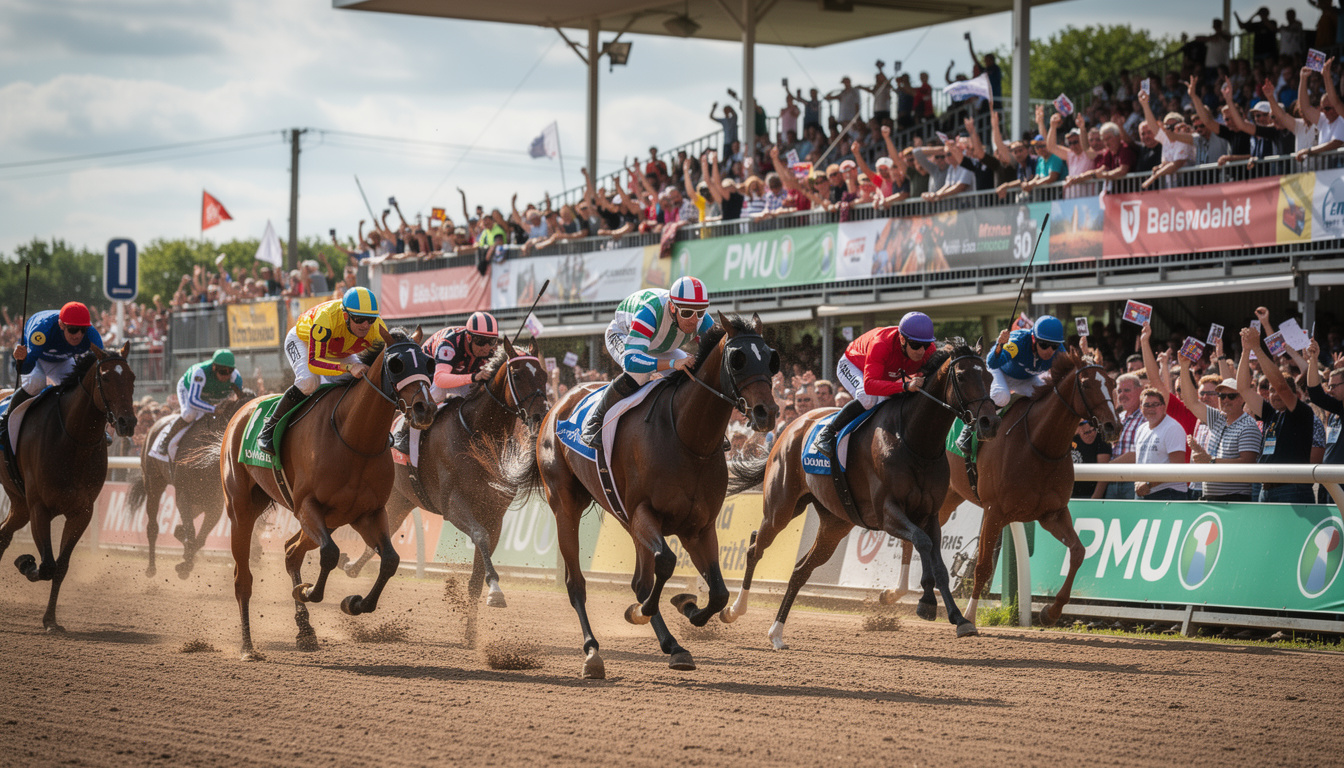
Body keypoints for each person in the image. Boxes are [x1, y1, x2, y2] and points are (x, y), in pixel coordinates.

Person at [581, 276, 715, 448]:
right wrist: (673, 363)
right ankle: (595, 421)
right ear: (672, 307)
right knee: (638, 374)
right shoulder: (650, 312)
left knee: (694, 373)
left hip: (661, 346)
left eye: (701, 312)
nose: (694, 319)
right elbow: (632, 361)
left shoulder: (699, 317)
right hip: (624, 336)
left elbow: (718, 350)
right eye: (687, 313)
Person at [259, 287, 388, 454]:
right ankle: (270, 428)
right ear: (346, 316)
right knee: (309, 381)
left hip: (339, 350)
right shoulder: (325, 319)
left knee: (366, 381)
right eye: (360, 319)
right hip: (303, 341)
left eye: (370, 320)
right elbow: (314, 363)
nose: (365, 325)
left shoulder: (377, 328)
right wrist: (349, 367)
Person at [817, 312, 936, 459]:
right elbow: (870, 385)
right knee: (867, 399)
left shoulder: (929, 351)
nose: (922, 351)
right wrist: (904, 386)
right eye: (916, 345)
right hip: (853, 365)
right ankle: (827, 433)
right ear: (902, 339)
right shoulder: (881, 344)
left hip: (884, 373)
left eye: (926, 345)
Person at [392, 311, 500, 453]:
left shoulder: (491, 350)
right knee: (436, 393)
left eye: (491, 341)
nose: (486, 347)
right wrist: (474, 377)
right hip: (430, 375)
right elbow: (440, 379)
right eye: (480, 341)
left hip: (460, 374)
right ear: (468, 337)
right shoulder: (449, 343)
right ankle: (404, 430)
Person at [3, 302, 106, 443]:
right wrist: (21, 360)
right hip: (36, 357)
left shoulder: (92, 335)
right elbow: (25, 369)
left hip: (62, 360)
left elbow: (103, 364)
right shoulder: (42, 330)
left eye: (82, 330)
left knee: (76, 387)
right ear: (61, 325)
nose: (78, 335)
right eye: (73, 329)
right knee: (36, 382)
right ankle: (4, 421)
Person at [1238, 326, 1316, 503]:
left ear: (1295, 394)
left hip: (1291, 489)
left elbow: (1281, 385)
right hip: (1265, 490)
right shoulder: (1270, 414)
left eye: (1278, 391)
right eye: (1270, 390)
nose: (1274, 393)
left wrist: (1258, 348)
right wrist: (1246, 350)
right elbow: (1243, 388)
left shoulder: (1302, 412)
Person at [157, 349, 247, 458]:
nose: (227, 375)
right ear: (214, 367)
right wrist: (213, 409)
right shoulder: (200, 373)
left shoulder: (235, 377)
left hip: (211, 395)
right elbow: (193, 400)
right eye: (223, 372)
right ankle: (166, 438)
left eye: (230, 370)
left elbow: (240, 400)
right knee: (189, 414)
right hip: (188, 389)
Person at [1132, 388, 1189, 500]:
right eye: (1147, 405)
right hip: (1143, 491)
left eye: (1155, 404)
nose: (1151, 408)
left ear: (1164, 407)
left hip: (1168, 493)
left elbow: (1177, 467)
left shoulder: (1172, 428)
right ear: (1141, 408)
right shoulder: (1141, 429)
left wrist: (1148, 484)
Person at [1305, 339, 1343, 502]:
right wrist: (1313, 359)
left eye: (1334, 386)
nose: (1330, 390)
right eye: (1329, 385)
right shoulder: (1336, 409)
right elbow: (1315, 394)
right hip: (1327, 483)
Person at [1071, 420, 1112, 499]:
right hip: (1071, 494)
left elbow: (1104, 473)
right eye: (1086, 432)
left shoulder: (1101, 438)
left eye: (1092, 430)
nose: (1091, 434)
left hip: (1091, 494)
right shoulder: (1071, 437)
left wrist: (1095, 498)